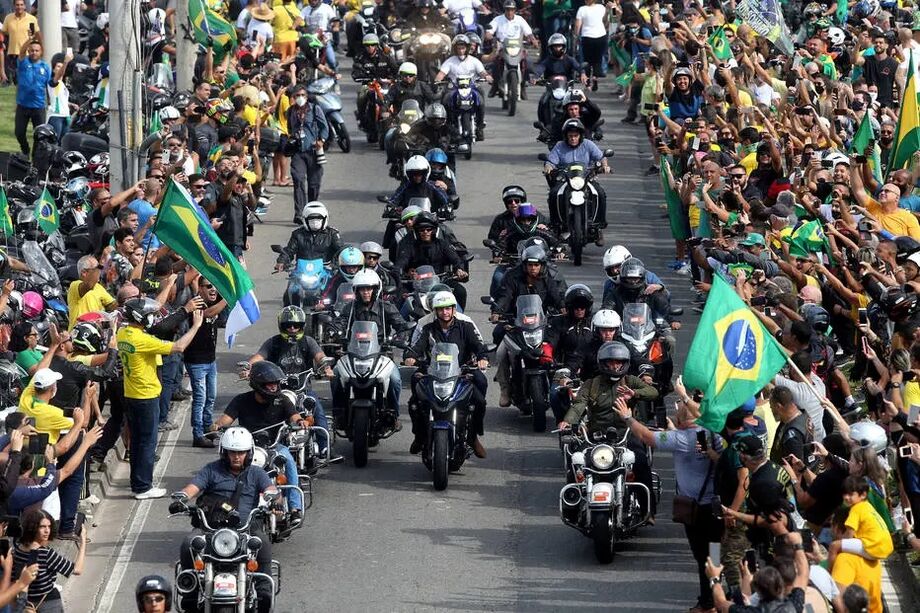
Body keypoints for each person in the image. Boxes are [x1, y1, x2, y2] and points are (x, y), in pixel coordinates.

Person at [170, 427, 276, 613]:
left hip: (246, 528)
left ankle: (264, 592)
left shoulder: (256, 473)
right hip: (210, 529)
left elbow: (270, 489)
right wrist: (182, 497)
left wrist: (272, 498)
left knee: (263, 543)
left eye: (241, 452)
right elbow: (193, 487)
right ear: (224, 452)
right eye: (232, 452)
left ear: (249, 453)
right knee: (189, 543)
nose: (236, 456)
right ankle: (190, 593)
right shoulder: (211, 470)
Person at [118, 297, 204, 499]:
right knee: (148, 442)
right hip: (146, 396)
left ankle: (137, 483)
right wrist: (196, 326)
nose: (153, 319)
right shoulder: (142, 340)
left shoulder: (123, 333)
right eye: (149, 315)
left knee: (138, 442)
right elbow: (179, 347)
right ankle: (144, 487)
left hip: (131, 393)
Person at [213, 363, 306, 524]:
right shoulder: (241, 400)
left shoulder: (282, 400)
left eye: (276, 384)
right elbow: (224, 421)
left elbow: (294, 416)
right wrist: (216, 427)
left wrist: (300, 422)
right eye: (270, 384)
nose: (274, 387)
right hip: (246, 449)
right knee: (226, 469)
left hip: (274, 447)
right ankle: (225, 508)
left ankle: (295, 508)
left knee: (289, 461)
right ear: (258, 385)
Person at [403, 291, 489, 457]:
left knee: (480, 397)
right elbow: (416, 346)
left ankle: (473, 437)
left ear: (454, 309)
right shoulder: (427, 327)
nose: (445, 312)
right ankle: (420, 436)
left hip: (461, 373)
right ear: (435, 311)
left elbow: (479, 346)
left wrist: (482, 358)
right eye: (441, 309)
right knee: (415, 401)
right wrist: (410, 357)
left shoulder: (466, 326)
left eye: (448, 308)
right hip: (432, 373)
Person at [543, 118, 609, 237]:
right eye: (570, 136)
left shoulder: (588, 144)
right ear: (566, 136)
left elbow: (601, 157)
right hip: (565, 179)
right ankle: (556, 224)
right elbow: (550, 162)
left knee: (600, 193)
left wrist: (605, 166)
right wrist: (548, 167)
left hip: (586, 177)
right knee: (553, 194)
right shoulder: (559, 146)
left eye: (576, 135)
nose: (573, 138)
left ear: (581, 135)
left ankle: (598, 226)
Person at [11, 509, 85, 612]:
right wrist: (83, 543)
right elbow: (77, 569)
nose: (47, 531)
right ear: (33, 528)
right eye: (42, 527)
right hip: (48, 603)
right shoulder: (46, 554)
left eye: (49, 526)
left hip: (25, 603)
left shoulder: (18, 550)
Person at [183, 278, 228, 448]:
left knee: (211, 397)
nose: (213, 290)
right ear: (200, 288)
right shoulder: (196, 303)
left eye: (215, 287)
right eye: (209, 286)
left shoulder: (212, 301)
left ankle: (209, 429)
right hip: (196, 361)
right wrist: (227, 299)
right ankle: (198, 434)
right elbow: (208, 314)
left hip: (210, 360)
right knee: (200, 399)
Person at [434, 34, 492, 141]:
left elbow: (482, 72)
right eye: (459, 48)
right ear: (455, 49)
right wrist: (437, 80)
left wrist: (488, 77)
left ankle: (479, 125)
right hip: (454, 88)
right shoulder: (450, 61)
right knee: (444, 100)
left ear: (467, 48)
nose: (461, 51)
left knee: (481, 99)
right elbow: (441, 73)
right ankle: (447, 125)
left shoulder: (474, 61)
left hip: (472, 87)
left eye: (463, 48)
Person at [287, 83, 329, 224]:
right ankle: (299, 213)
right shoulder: (291, 111)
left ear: (307, 96)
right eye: (297, 95)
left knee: (314, 184)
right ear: (293, 97)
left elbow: (325, 127)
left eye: (302, 95)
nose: (300, 98)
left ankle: (311, 209)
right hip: (298, 152)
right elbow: (289, 128)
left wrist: (321, 140)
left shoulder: (315, 109)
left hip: (313, 152)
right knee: (298, 179)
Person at [273, 201, 343, 271]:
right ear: (305, 219)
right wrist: (282, 261)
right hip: (302, 271)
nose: (315, 222)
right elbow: (289, 250)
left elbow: (341, 250)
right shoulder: (297, 234)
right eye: (311, 219)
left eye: (318, 218)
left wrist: (337, 263)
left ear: (325, 219)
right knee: (292, 281)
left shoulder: (332, 234)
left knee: (338, 281)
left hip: (326, 271)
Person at [352, 33, 398, 131]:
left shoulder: (386, 56)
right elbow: (355, 72)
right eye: (367, 45)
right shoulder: (360, 57)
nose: (370, 47)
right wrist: (359, 76)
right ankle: (362, 117)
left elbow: (396, 69)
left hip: (386, 84)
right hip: (370, 85)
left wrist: (396, 78)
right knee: (362, 95)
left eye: (372, 45)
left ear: (376, 45)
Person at [14, 35, 50, 156]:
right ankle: (25, 150)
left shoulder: (45, 67)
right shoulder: (23, 63)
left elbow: (49, 86)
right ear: (29, 51)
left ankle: (34, 158)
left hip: (39, 106)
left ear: (41, 52)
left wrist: (49, 102)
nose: (34, 52)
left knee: (40, 136)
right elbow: (21, 52)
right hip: (23, 105)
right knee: (19, 132)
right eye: (32, 50)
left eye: (36, 50)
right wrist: (29, 40)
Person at [67, 255, 117, 328]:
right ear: (84, 272)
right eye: (97, 268)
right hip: (79, 333)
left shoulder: (98, 287)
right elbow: (89, 285)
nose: (99, 271)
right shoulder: (74, 286)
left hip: (96, 333)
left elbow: (112, 305)